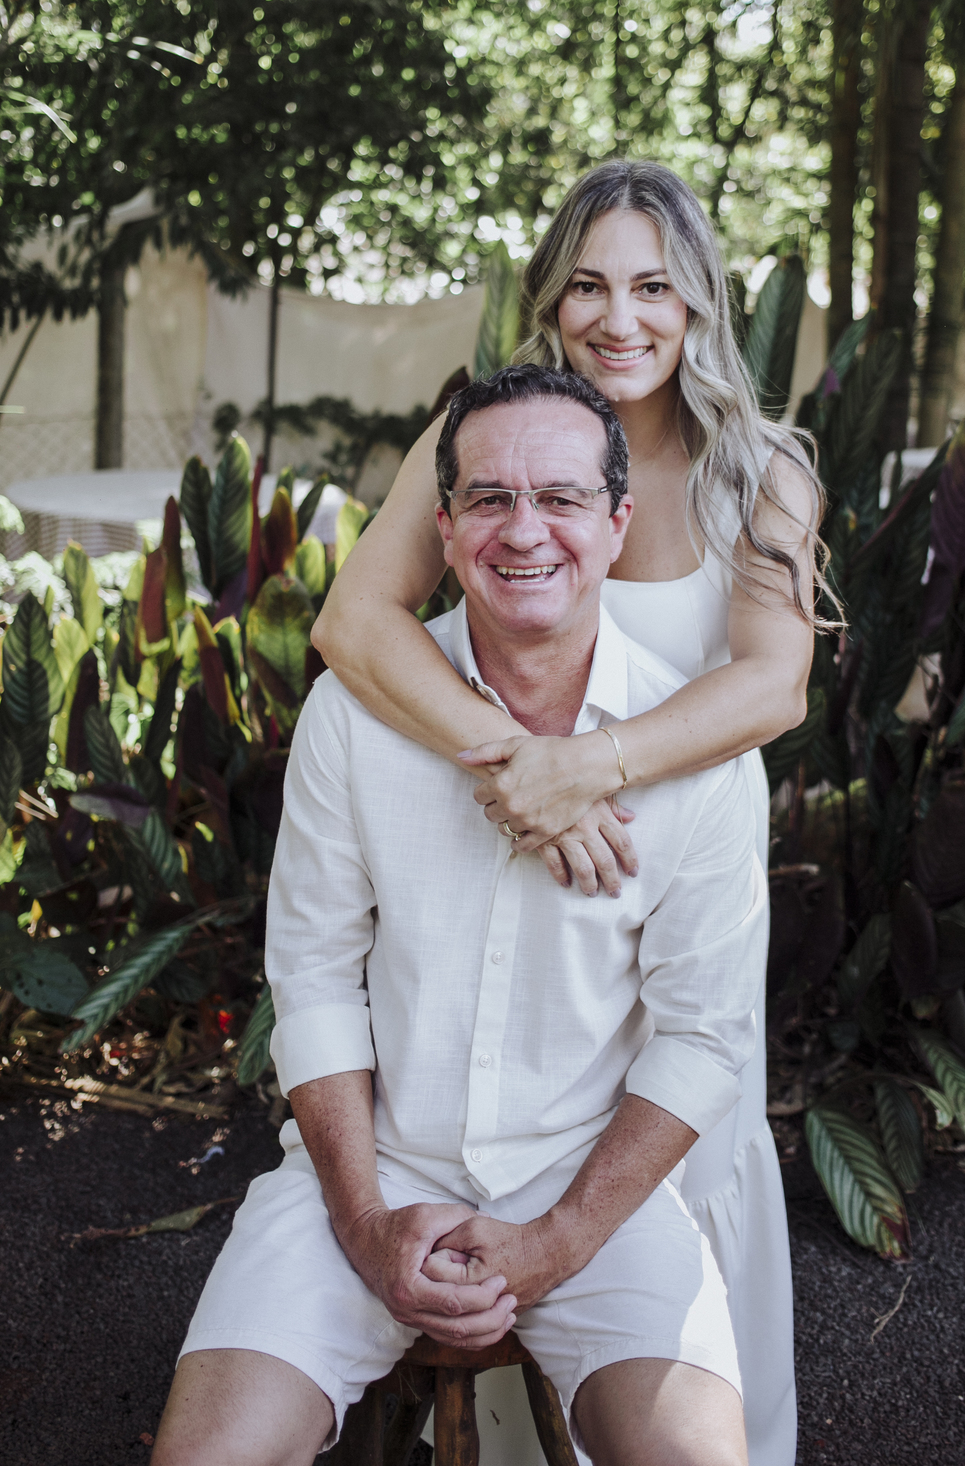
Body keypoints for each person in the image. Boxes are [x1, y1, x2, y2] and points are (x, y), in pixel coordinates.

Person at [312, 161, 832, 1466]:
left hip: (672, 870)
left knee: (683, 1163)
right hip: (503, 850)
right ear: (550, 299)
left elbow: (772, 685)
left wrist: (587, 768)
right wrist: (517, 767)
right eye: (589, 285)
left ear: (698, 303)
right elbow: (353, 623)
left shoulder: (760, 471)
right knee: (501, 1138)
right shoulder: (481, 440)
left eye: (654, 286)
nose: (620, 317)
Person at [152, 365, 768, 1466]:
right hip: (371, 1169)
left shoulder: (699, 754)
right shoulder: (354, 718)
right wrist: (362, 1221)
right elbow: (314, 977)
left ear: (619, 524)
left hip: (592, 1186)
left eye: (562, 498)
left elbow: (704, 1036)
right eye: (489, 498)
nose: (524, 530)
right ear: (441, 527)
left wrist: (558, 1239)